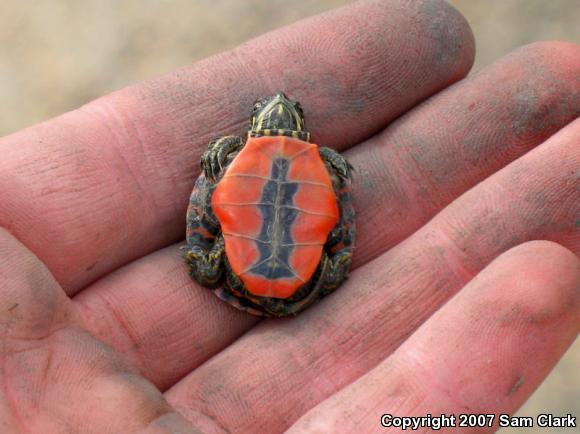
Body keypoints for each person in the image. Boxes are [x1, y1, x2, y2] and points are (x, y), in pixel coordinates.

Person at [0, 0, 578, 432]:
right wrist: (331, 259)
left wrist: (214, 222)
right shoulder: (321, 161)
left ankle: (242, 265)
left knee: (208, 262)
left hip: (243, 265)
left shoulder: (233, 156)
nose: (278, 113)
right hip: (300, 275)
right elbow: (336, 206)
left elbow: (215, 186)